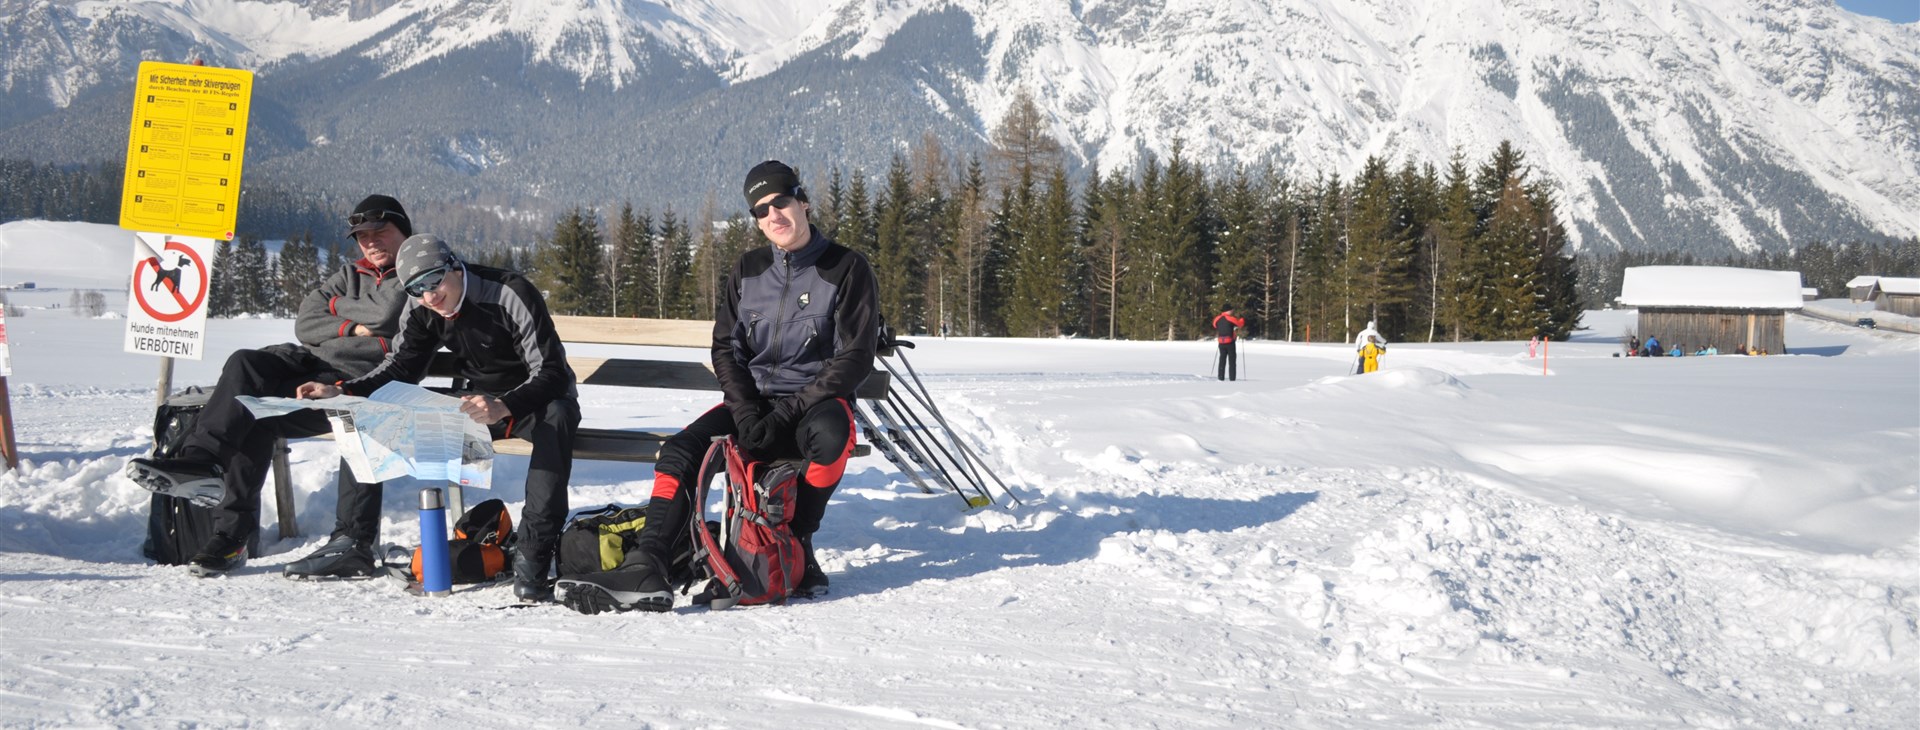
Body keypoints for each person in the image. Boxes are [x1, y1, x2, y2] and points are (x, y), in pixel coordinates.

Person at [557, 160, 880, 615]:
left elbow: (855, 357)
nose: (773, 214)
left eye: (781, 202)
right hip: (754, 405)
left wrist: (787, 412)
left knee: (833, 436)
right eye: (761, 209)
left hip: (815, 405)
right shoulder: (748, 270)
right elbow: (726, 348)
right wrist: (745, 410)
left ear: (803, 202)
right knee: (680, 451)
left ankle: (798, 542)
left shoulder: (846, 267)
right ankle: (647, 564)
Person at [124, 194, 414, 575]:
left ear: (403, 231)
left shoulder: (415, 272)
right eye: (363, 236)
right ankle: (203, 465)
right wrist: (355, 326)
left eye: (380, 232)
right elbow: (305, 321)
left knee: (268, 415)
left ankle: (320, 541)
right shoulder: (350, 274)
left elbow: (387, 312)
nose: (371, 242)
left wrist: (337, 312)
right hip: (309, 363)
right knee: (245, 366)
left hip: (359, 379)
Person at [289, 235, 579, 601]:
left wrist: (505, 405)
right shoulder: (421, 306)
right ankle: (353, 541)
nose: (428, 296)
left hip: (537, 398)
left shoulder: (508, 293)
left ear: (454, 266)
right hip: (477, 402)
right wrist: (343, 391)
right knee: (367, 413)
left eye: (433, 281)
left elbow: (552, 371)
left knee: (558, 419)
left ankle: (533, 556)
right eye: (415, 288)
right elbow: (401, 367)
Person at [1212, 309, 1244, 381]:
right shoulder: (1230, 318)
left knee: (1222, 360)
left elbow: (1214, 325)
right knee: (1232, 361)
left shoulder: (1217, 319)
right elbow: (1240, 324)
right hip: (1230, 343)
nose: (1232, 312)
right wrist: (1242, 319)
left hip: (1221, 342)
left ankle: (1220, 378)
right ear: (1228, 311)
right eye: (1231, 310)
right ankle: (1232, 379)